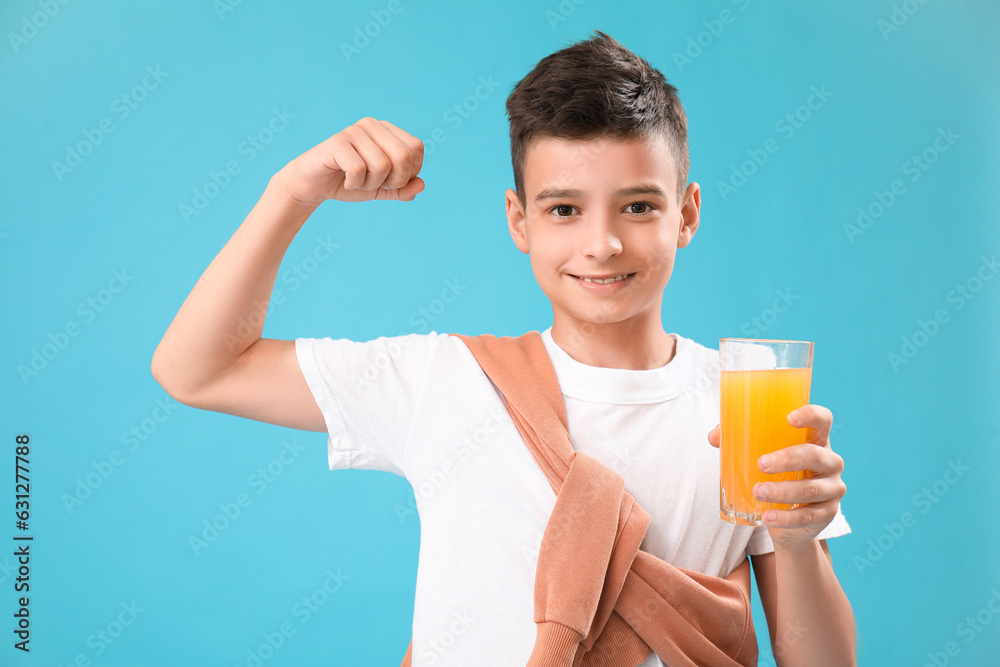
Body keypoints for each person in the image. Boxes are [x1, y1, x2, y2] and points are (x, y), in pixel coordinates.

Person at [151, 30, 855, 666]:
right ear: (519, 221)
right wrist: (292, 191)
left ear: (688, 214)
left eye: (638, 206)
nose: (602, 243)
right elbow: (198, 369)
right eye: (564, 208)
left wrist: (796, 542)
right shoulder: (443, 379)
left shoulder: (747, 397)